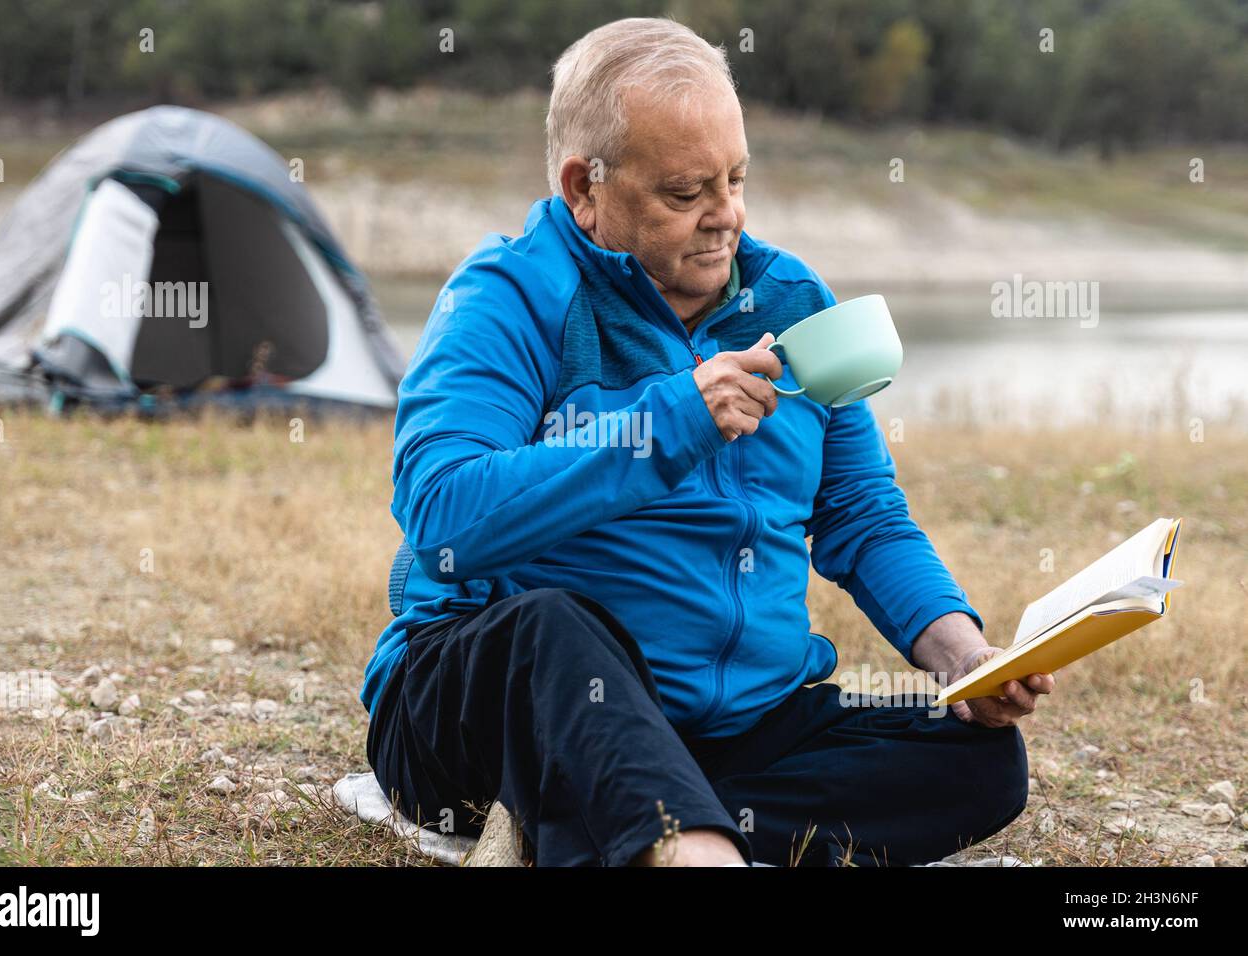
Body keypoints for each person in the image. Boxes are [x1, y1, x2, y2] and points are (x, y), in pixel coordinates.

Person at [361, 17, 1052, 867]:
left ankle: (605, 818)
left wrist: (962, 655)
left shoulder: (793, 301)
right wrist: (671, 423)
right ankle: (675, 841)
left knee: (977, 761)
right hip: (495, 700)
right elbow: (440, 513)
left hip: (731, 727)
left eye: (736, 179)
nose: (725, 217)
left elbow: (861, 515)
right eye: (686, 194)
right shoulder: (506, 297)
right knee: (555, 624)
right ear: (585, 187)